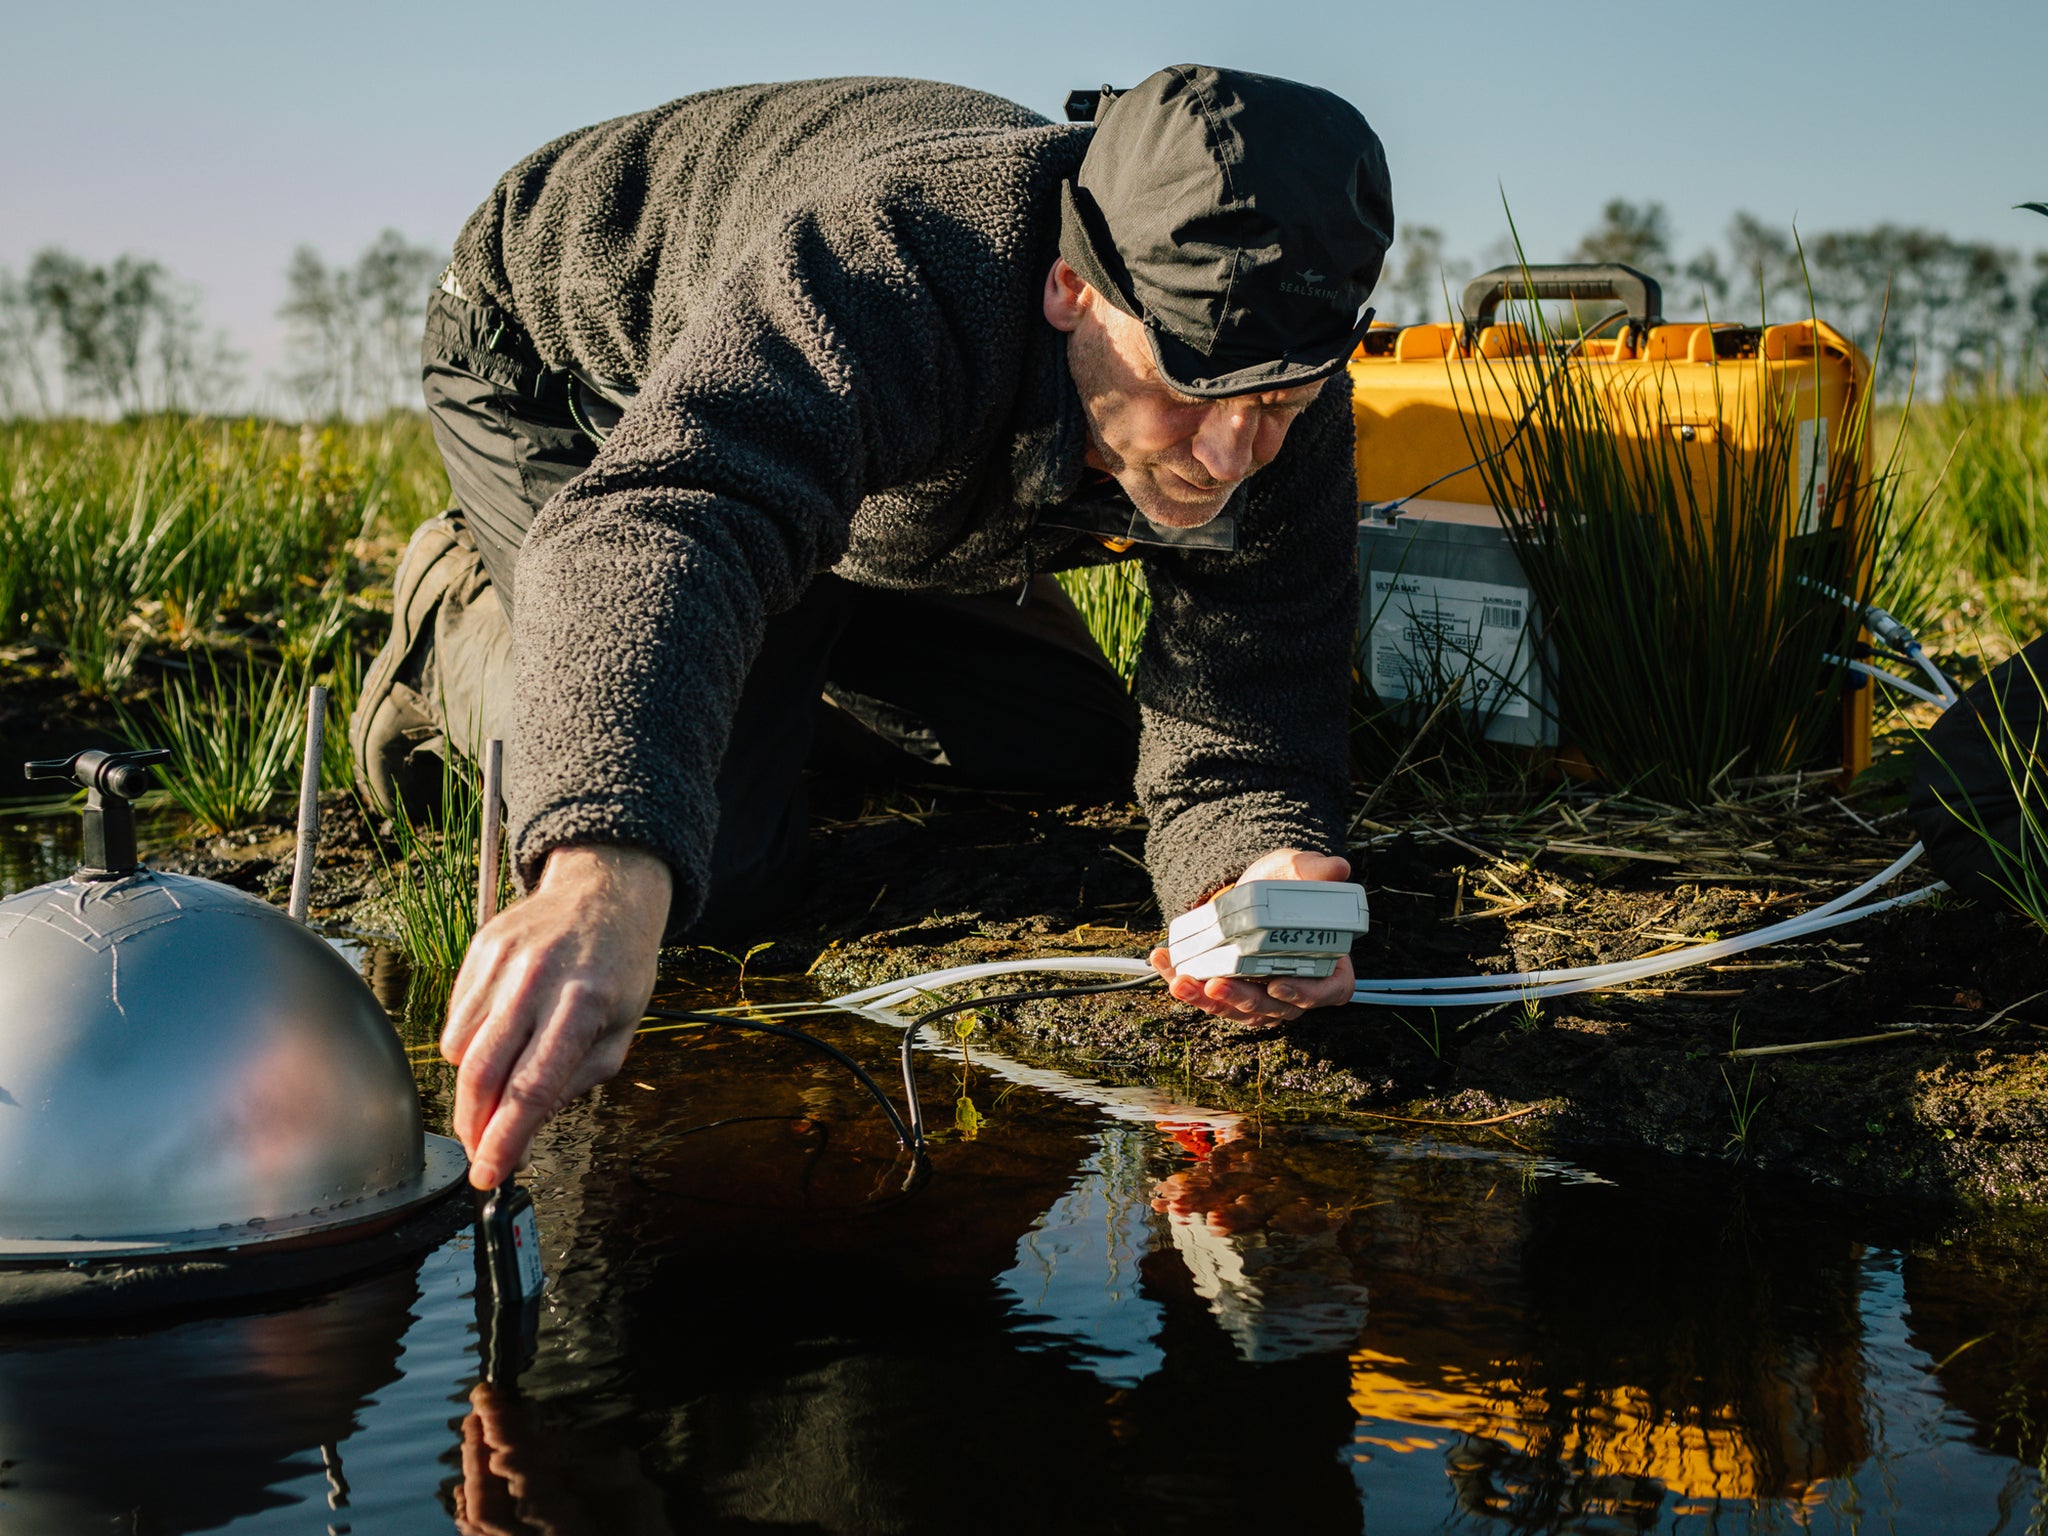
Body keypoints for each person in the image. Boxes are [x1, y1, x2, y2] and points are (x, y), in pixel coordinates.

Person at [350, 65, 1395, 1188]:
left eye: (1276, 405)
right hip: (574, 383)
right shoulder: (892, 259)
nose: (1231, 456)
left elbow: (1247, 694)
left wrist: (1244, 872)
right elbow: (678, 521)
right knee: (708, 869)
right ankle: (457, 606)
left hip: (868, 481)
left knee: (1064, 745)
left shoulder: (1277, 353)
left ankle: (776, 623)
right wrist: (598, 873)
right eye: (1186, 391)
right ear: (1069, 289)